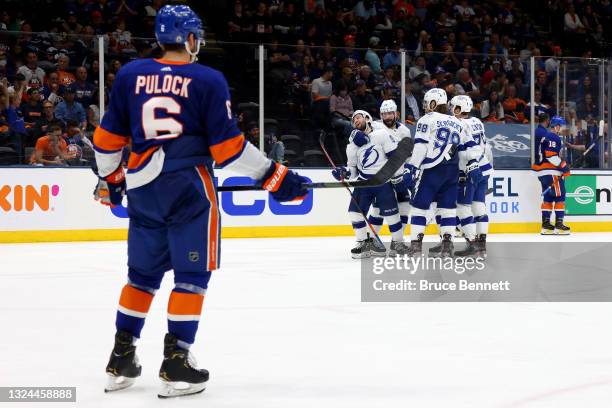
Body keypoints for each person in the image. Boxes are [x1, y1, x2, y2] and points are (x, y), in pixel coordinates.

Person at [94, 5, 308, 398]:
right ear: (190, 39)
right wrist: (275, 176)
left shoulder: (128, 74)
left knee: (141, 277)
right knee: (191, 278)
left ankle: (121, 357)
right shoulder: (207, 79)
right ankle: (177, 361)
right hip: (190, 188)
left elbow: (106, 143)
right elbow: (228, 149)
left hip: (142, 188)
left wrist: (112, 179)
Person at [403, 88, 482, 257]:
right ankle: (447, 246)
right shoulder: (459, 122)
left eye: (426, 102)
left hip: (431, 171)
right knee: (447, 210)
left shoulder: (427, 119)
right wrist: (473, 165)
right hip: (452, 173)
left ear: (433, 103)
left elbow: (421, 146)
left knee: (419, 209)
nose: (425, 106)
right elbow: (471, 148)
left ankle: (416, 246)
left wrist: (411, 167)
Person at [331, 110, 406, 258]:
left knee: (392, 215)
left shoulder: (382, 135)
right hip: (363, 183)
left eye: (358, 117)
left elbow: (394, 157)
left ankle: (398, 244)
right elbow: (353, 170)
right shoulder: (352, 146)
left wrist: (398, 177)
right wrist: (344, 173)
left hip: (382, 182)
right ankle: (362, 243)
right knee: (354, 212)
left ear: (367, 118)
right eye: (353, 120)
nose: (356, 121)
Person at [430, 95, 493, 257]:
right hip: (483, 167)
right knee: (479, 206)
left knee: (461, 208)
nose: (450, 109)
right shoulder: (477, 122)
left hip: (468, 170)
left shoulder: (458, 124)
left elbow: (459, 150)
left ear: (458, 109)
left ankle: (472, 244)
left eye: (452, 107)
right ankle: (481, 245)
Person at [367, 99, 412, 239]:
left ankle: (397, 240)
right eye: (384, 114)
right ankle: (369, 242)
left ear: (396, 114)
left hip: (399, 176)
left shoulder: (404, 130)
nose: (387, 117)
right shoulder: (375, 127)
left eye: (390, 114)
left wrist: (408, 170)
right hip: (383, 177)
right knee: (378, 210)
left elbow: (408, 154)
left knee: (404, 207)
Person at [531, 116, 571, 235]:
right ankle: (559, 226)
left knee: (548, 198)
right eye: (561, 126)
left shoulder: (546, 136)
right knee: (560, 196)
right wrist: (564, 167)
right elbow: (551, 155)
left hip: (542, 172)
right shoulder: (553, 137)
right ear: (556, 126)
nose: (562, 128)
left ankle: (546, 226)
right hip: (551, 171)